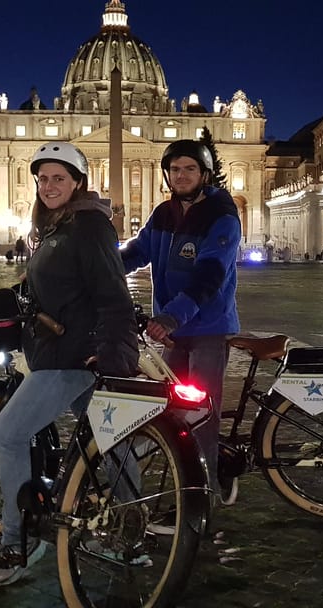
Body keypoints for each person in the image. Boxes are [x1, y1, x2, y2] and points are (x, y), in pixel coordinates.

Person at [0, 142, 138, 587]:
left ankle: (17, 544)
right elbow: (63, 284)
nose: (49, 186)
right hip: (64, 349)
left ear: (78, 183)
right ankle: (130, 530)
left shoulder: (87, 226)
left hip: (72, 355)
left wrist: (113, 351)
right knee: (112, 440)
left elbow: (113, 294)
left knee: (7, 435)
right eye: (43, 178)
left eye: (59, 178)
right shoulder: (56, 225)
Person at [120, 139, 241, 504]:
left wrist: (173, 315)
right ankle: (184, 470)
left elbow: (210, 274)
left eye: (189, 169)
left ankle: (202, 491)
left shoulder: (222, 215)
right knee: (170, 404)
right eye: (175, 170)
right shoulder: (163, 214)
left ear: (204, 174)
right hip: (174, 330)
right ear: (167, 175)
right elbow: (137, 253)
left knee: (201, 409)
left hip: (206, 327)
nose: (182, 175)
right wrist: (98, 274)